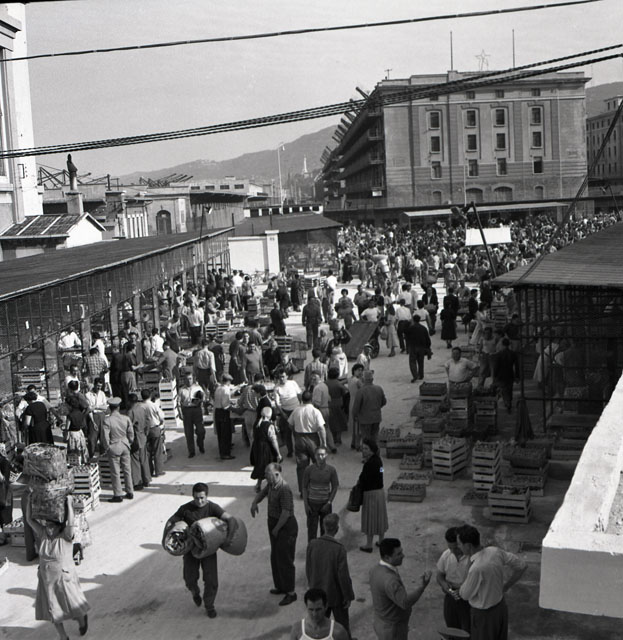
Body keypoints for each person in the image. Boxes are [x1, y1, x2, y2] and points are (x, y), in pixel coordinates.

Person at [165, 482, 235, 619]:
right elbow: (170, 521)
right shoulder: (185, 509)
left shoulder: (213, 508)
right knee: (189, 579)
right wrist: (165, 539)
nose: (199, 501)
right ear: (193, 496)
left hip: (209, 549)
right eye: (196, 498)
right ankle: (195, 592)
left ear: (207, 496)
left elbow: (230, 519)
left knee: (211, 581)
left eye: (202, 498)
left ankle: (209, 605)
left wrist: (229, 538)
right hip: (191, 550)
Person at [24, 494, 89, 640]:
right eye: (47, 525)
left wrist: (69, 504)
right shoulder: (43, 534)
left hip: (64, 579)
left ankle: (82, 619)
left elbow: (70, 523)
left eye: (52, 526)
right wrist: (29, 501)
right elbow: (29, 520)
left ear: (59, 525)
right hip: (47, 580)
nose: (49, 528)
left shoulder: (65, 535)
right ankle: (63, 636)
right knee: (53, 609)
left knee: (73, 605)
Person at [457, 524, 527, 640]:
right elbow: (522, 566)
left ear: (468, 546)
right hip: (500, 608)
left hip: (484, 617)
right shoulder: (495, 551)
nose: (458, 547)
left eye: (460, 544)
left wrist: (468, 565)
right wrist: (506, 586)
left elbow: (464, 595)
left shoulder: (476, 568)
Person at [251, 463, 299, 607]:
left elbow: (285, 513)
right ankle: (281, 586)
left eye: (267, 474)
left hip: (285, 527)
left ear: (277, 474)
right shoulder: (272, 485)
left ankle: (291, 592)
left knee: (285, 559)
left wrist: (276, 529)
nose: (265, 476)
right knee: (276, 557)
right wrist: (254, 502)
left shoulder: (284, 489)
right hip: (274, 525)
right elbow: (262, 493)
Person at [369, 538, 432, 640]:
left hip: (381, 622)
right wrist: (422, 587)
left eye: (401, 552)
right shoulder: (390, 580)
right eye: (398, 554)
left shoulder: (375, 569)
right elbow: (405, 602)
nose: (403, 556)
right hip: (393, 629)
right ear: (387, 557)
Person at [305, 515, 354, 638]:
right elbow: (343, 576)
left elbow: (308, 569)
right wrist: (348, 595)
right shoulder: (339, 549)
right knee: (343, 625)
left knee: (318, 625)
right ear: (337, 529)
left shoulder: (312, 544)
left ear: (323, 526)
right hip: (336, 595)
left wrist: (312, 587)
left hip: (318, 594)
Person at [288, 390, 328, 496]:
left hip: (299, 439)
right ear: (311, 399)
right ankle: (318, 488)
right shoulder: (315, 411)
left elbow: (290, 424)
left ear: (302, 399)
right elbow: (321, 428)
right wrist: (324, 443)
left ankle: (303, 491)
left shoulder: (296, 410)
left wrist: (296, 432)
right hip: (313, 438)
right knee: (318, 464)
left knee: (302, 466)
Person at [436, 527, 471, 634]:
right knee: (451, 628)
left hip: (468, 599)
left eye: (456, 548)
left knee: (467, 630)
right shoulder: (446, 555)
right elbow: (440, 575)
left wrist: (463, 589)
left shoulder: (471, 558)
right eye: (450, 548)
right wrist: (444, 585)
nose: (453, 552)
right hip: (450, 597)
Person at [357, 438, 388, 552]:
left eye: (366, 448)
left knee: (370, 518)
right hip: (379, 493)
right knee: (380, 517)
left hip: (370, 494)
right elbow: (381, 472)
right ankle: (381, 540)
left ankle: (369, 545)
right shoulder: (379, 461)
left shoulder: (368, 464)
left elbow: (363, 479)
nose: (363, 451)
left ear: (372, 450)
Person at [302, 446, 339, 542]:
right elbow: (304, 487)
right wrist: (306, 504)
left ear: (326, 455)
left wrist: (329, 502)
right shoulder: (309, 470)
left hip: (325, 504)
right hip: (312, 504)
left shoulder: (331, 470)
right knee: (311, 531)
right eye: (318, 455)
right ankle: (312, 548)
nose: (320, 457)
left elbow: (335, 486)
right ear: (314, 456)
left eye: (322, 454)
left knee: (326, 531)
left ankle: (324, 548)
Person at [101, 396, 134, 503]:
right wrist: (129, 442)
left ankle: (118, 494)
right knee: (127, 469)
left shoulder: (107, 420)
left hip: (114, 446)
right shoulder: (126, 418)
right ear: (119, 407)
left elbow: (105, 436)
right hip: (125, 444)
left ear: (110, 408)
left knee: (115, 472)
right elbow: (131, 433)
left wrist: (107, 447)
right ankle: (130, 491)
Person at [250, 405, 282, 491]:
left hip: (256, 447)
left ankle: (258, 485)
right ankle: (270, 487)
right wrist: (278, 453)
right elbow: (273, 440)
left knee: (260, 465)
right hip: (266, 448)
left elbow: (251, 435)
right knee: (269, 467)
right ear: (270, 415)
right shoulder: (269, 425)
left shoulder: (256, 423)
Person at [351, 371, 386, 445]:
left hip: (365, 419)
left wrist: (354, 415)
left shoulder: (361, 391)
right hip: (376, 417)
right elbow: (384, 402)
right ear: (372, 379)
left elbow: (356, 407)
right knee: (374, 436)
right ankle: (375, 450)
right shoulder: (379, 388)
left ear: (363, 379)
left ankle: (368, 451)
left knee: (366, 438)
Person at [274, 370, 303, 459]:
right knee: (287, 433)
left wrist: (299, 406)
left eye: (283, 376)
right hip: (285, 412)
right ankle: (290, 451)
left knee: (297, 432)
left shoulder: (292, 383)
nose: (281, 379)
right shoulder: (277, 388)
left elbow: (299, 394)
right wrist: (282, 413)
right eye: (280, 377)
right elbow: (277, 403)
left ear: (287, 376)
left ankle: (299, 452)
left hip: (295, 410)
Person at [127, 391, 152, 491]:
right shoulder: (142, 409)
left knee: (135, 460)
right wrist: (146, 432)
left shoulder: (130, 412)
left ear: (130, 401)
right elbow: (148, 421)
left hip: (135, 437)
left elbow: (128, 426)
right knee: (144, 459)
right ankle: (147, 479)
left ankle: (137, 482)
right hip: (143, 436)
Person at [177, 370, 205, 459]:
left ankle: (200, 443)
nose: (188, 381)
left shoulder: (198, 388)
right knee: (189, 432)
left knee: (201, 430)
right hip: (187, 411)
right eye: (186, 379)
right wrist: (180, 413)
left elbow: (203, 398)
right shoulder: (181, 390)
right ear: (184, 380)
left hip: (197, 410)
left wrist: (201, 401)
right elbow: (178, 402)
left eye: (190, 379)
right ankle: (191, 451)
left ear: (193, 379)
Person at [492, 338, 520, 413]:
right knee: (509, 389)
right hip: (510, 374)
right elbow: (517, 366)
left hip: (501, 375)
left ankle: (507, 403)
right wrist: (517, 376)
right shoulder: (513, 354)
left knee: (504, 390)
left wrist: (495, 375)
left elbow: (496, 366)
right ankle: (509, 402)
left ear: (502, 345)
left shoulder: (499, 354)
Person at [143, 388, 166, 477]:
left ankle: (150, 471)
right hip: (154, 428)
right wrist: (160, 423)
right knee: (157, 450)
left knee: (148, 451)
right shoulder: (153, 405)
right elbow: (161, 416)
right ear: (150, 396)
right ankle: (158, 470)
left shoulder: (140, 406)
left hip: (145, 430)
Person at [213, 374, 236, 461]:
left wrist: (230, 402)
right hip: (223, 413)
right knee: (226, 433)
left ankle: (223, 450)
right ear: (228, 381)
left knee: (220, 434)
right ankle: (225, 453)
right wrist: (234, 408)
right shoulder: (226, 389)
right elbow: (225, 405)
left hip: (217, 412)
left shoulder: (218, 388)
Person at [405, 315, 431, 383]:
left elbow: (406, 337)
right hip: (421, 347)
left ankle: (415, 375)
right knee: (420, 361)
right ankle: (421, 374)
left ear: (413, 320)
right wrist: (428, 347)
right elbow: (427, 339)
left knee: (412, 362)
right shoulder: (423, 328)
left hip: (413, 347)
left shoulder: (410, 328)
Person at [347, 363, 364, 451]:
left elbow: (341, 383)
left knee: (354, 424)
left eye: (361, 370)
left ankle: (353, 442)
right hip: (358, 402)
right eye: (358, 370)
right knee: (358, 425)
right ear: (354, 371)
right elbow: (364, 390)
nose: (360, 372)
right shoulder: (358, 381)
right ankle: (357, 444)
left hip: (351, 401)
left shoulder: (350, 379)